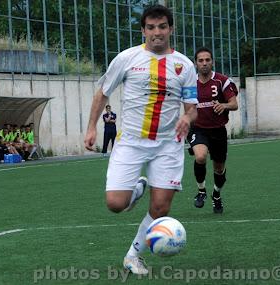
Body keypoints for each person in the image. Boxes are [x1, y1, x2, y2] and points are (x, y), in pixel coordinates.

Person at [84, 5, 198, 275]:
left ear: (171, 29)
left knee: (160, 207)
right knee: (115, 204)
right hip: (131, 142)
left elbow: (192, 107)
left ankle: (133, 255)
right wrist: (91, 128)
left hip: (168, 144)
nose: (156, 32)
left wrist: (187, 118)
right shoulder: (126, 58)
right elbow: (102, 93)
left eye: (162, 27)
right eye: (151, 27)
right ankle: (136, 190)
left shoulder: (186, 65)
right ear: (143, 30)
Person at [187, 47, 238, 214]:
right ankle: (201, 191)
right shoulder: (190, 83)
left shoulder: (222, 81)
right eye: (200, 60)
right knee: (200, 156)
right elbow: (186, 107)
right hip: (198, 129)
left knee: (219, 168)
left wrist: (223, 105)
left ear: (212, 62)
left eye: (207, 60)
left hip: (218, 131)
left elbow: (234, 104)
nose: (204, 63)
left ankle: (216, 195)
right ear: (196, 63)